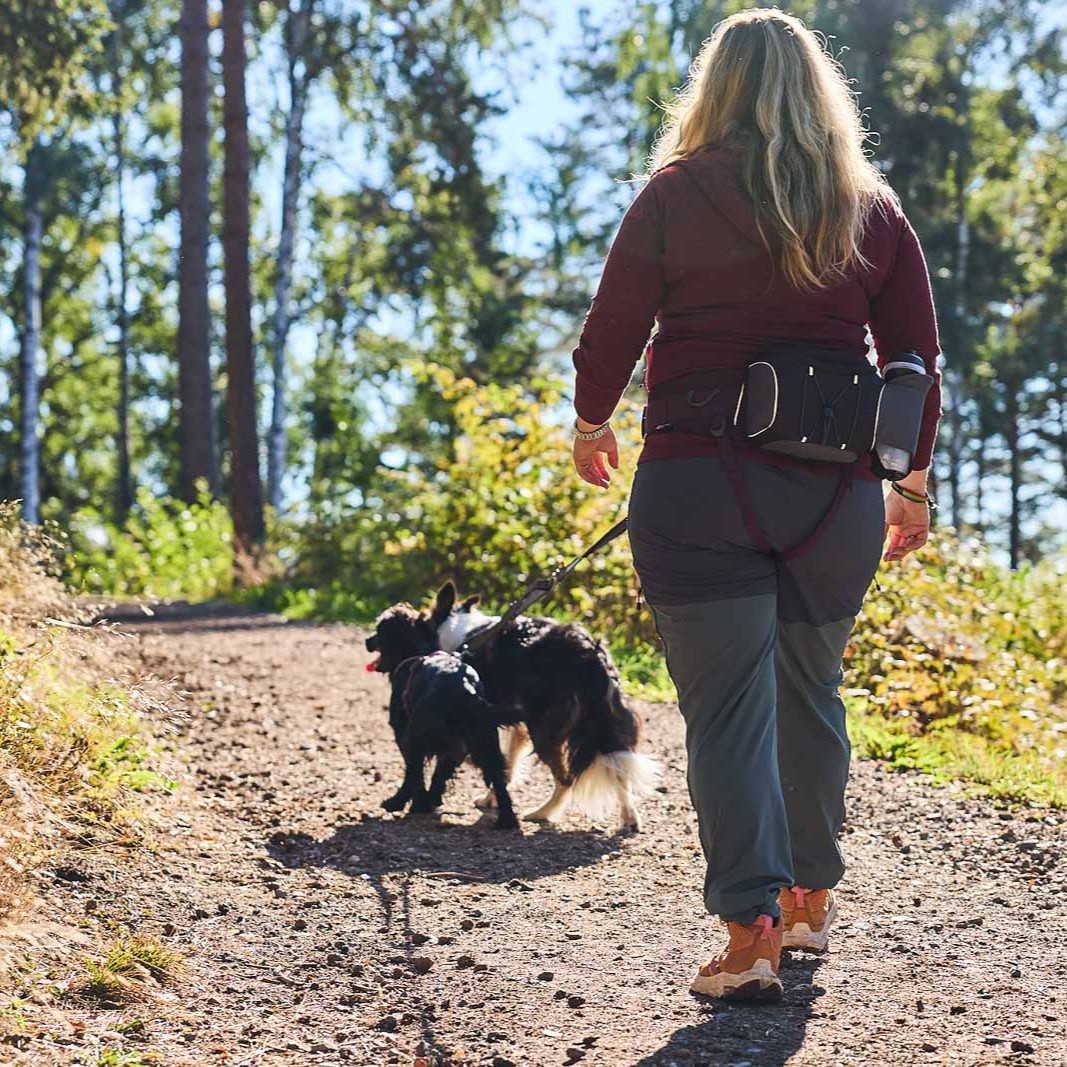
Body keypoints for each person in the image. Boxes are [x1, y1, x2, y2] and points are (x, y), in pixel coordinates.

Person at [569, 8, 941, 1002]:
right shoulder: (869, 207)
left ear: (713, 90)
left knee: (728, 710)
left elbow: (611, 329)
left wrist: (590, 422)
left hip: (698, 488)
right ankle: (808, 897)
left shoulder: (673, 195)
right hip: (835, 501)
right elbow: (912, 359)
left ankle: (750, 937)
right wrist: (909, 479)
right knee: (810, 688)